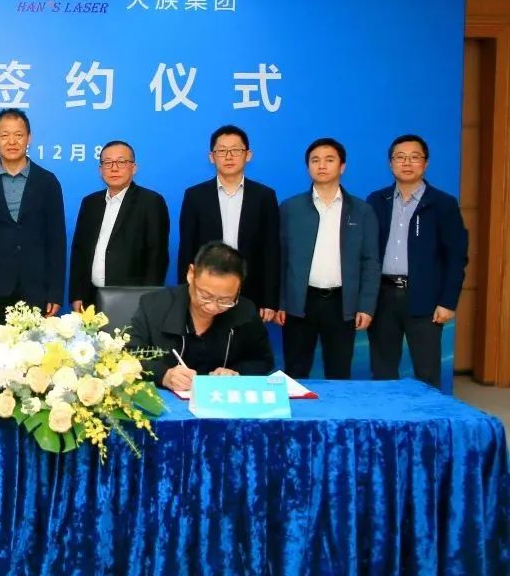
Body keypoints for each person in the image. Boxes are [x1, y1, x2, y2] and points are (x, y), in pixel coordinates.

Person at [366, 134, 468, 388]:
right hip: (383, 297)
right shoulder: (376, 200)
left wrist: (448, 302)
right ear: (391, 163)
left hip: (425, 298)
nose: (407, 163)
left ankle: (427, 415)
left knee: (427, 372)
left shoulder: (442, 203)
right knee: (382, 370)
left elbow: (456, 257)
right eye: (400, 157)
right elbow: (365, 252)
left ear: (426, 163)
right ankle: (386, 413)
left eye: (414, 157)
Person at [277, 138, 379, 379]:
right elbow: (280, 259)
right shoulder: (290, 208)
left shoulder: (362, 211)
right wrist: (281, 302)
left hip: (341, 303)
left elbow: (370, 262)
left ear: (342, 166)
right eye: (315, 160)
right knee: (295, 371)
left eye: (329, 160)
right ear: (308, 167)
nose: (321, 165)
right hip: (300, 303)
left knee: (339, 372)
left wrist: (366, 306)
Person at [128, 241, 274, 391]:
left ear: (238, 288)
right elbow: (128, 355)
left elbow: (262, 360)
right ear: (191, 274)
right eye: (205, 296)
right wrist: (163, 375)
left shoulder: (246, 312)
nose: (212, 307)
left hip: (219, 400)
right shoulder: (154, 306)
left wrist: (236, 373)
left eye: (225, 300)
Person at [0, 108, 66, 317]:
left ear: (29, 138)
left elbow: (57, 241)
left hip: (35, 286)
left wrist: (56, 292)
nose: (12, 141)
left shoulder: (48, 181)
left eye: (19, 135)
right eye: (5, 135)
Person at [177, 124, 280, 321]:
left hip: (251, 289)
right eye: (222, 151)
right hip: (206, 290)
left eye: (236, 150)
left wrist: (270, 300)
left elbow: (271, 251)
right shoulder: (195, 196)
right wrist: (186, 295)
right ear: (211, 157)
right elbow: (186, 250)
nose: (229, 156)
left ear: (248, 155)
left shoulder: (264, 196)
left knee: (246, 339)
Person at [69, 140, 169, 312]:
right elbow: (79, 251)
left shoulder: (151, 202)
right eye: (108, 163)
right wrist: (77, 294)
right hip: (90, 298)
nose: (114, 168)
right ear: (100, 169)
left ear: (134, 167)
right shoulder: (90, 203)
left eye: (121, 162)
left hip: (132, 300)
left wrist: (147, 301)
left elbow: (157, 257)